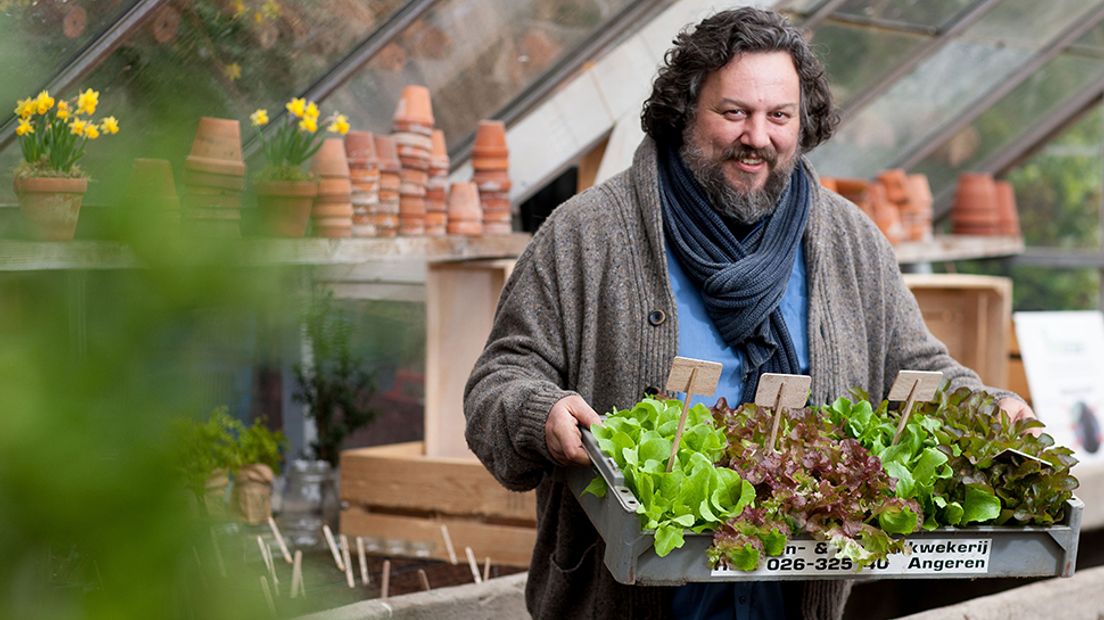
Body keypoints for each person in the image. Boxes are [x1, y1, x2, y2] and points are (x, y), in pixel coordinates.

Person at [463, 7, 1034, 620]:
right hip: (623, 602)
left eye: (779, 116)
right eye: (733, 112)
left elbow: (917, 368)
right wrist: (539, 412)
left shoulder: (850, 242)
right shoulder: (587, 235)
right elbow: (499, 379)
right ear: (685, 111)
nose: (757, 136)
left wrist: (986, 408)